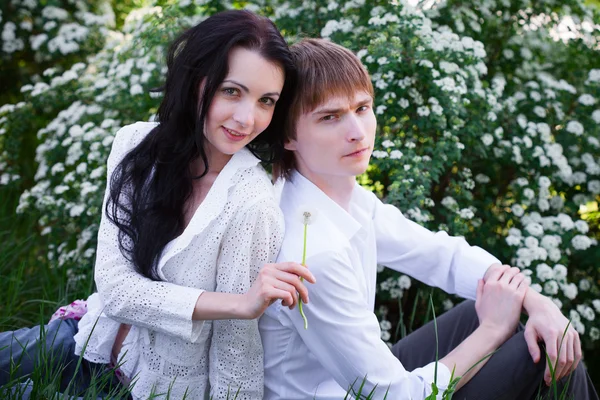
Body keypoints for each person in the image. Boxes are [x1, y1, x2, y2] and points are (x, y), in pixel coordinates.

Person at [0, 10, 315, 400]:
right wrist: (235, 304)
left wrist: (239, 312)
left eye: (266, 100)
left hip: (150, 389)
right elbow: (115, 289)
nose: (246, 118)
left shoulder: (252, 204)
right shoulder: (135, 146)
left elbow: (235, 350)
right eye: (231, 91)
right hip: (87, 339)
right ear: (195, 81)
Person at [260, 38, 599, 400]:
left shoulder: (339, 196)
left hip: (361, 384)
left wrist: (537, 302)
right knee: (543, 350)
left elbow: (442, 255)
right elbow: (396, 396)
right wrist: (493, 331)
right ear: (287, 136)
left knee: (490, 301)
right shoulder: (313, 252)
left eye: (362, 108)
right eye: (330, 117)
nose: (357, 131)